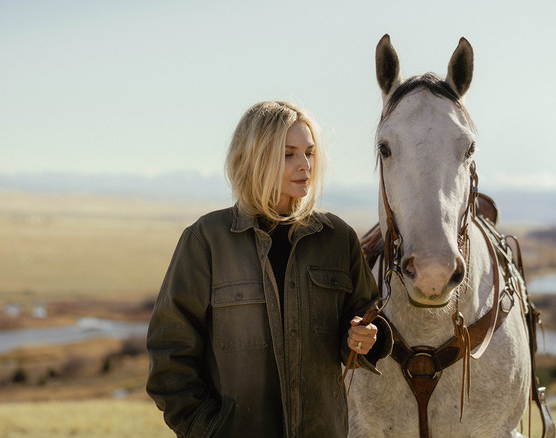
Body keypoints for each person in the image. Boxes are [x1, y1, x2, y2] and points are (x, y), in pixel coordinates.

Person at [146, 101, 392, 437]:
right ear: (255, 157)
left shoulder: (338, 239)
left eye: (309, 152)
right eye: (289, 154)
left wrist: (364, 339)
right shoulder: (206, 241)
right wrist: (208, 429)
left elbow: (364, 319)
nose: (304, 164)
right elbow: (170, 354)